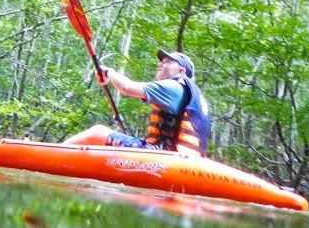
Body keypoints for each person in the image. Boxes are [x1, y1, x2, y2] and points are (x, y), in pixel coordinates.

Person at [62, 49, 210, 157]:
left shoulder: (175, 87)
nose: (160, 65)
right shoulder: (192, 94)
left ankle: (47, 157)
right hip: (181, 157)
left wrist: (108, 72)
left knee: (97, 132)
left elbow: (126, 87)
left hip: (164, 156)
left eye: (167, 62)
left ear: (181, 70)